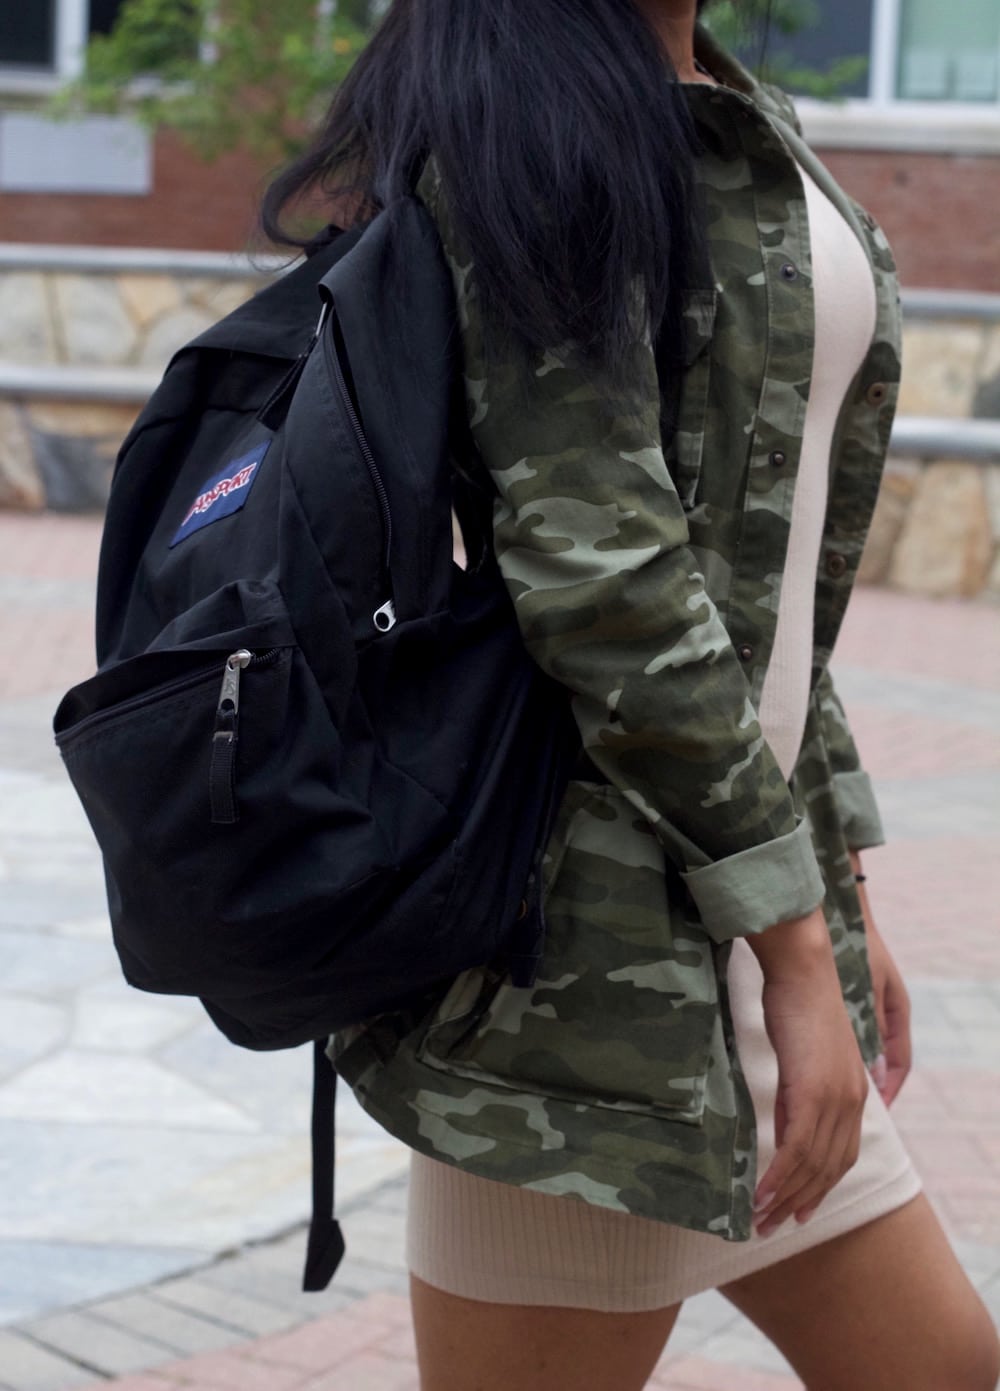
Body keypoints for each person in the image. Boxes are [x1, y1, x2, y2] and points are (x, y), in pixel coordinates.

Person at [262, 2, 1000, 1387]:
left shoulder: (710, 91)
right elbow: (606, 578)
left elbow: (766, 573)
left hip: (753, 942)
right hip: (587, 1005)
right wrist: (793, 949)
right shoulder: (526, 127)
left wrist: (835, 891)